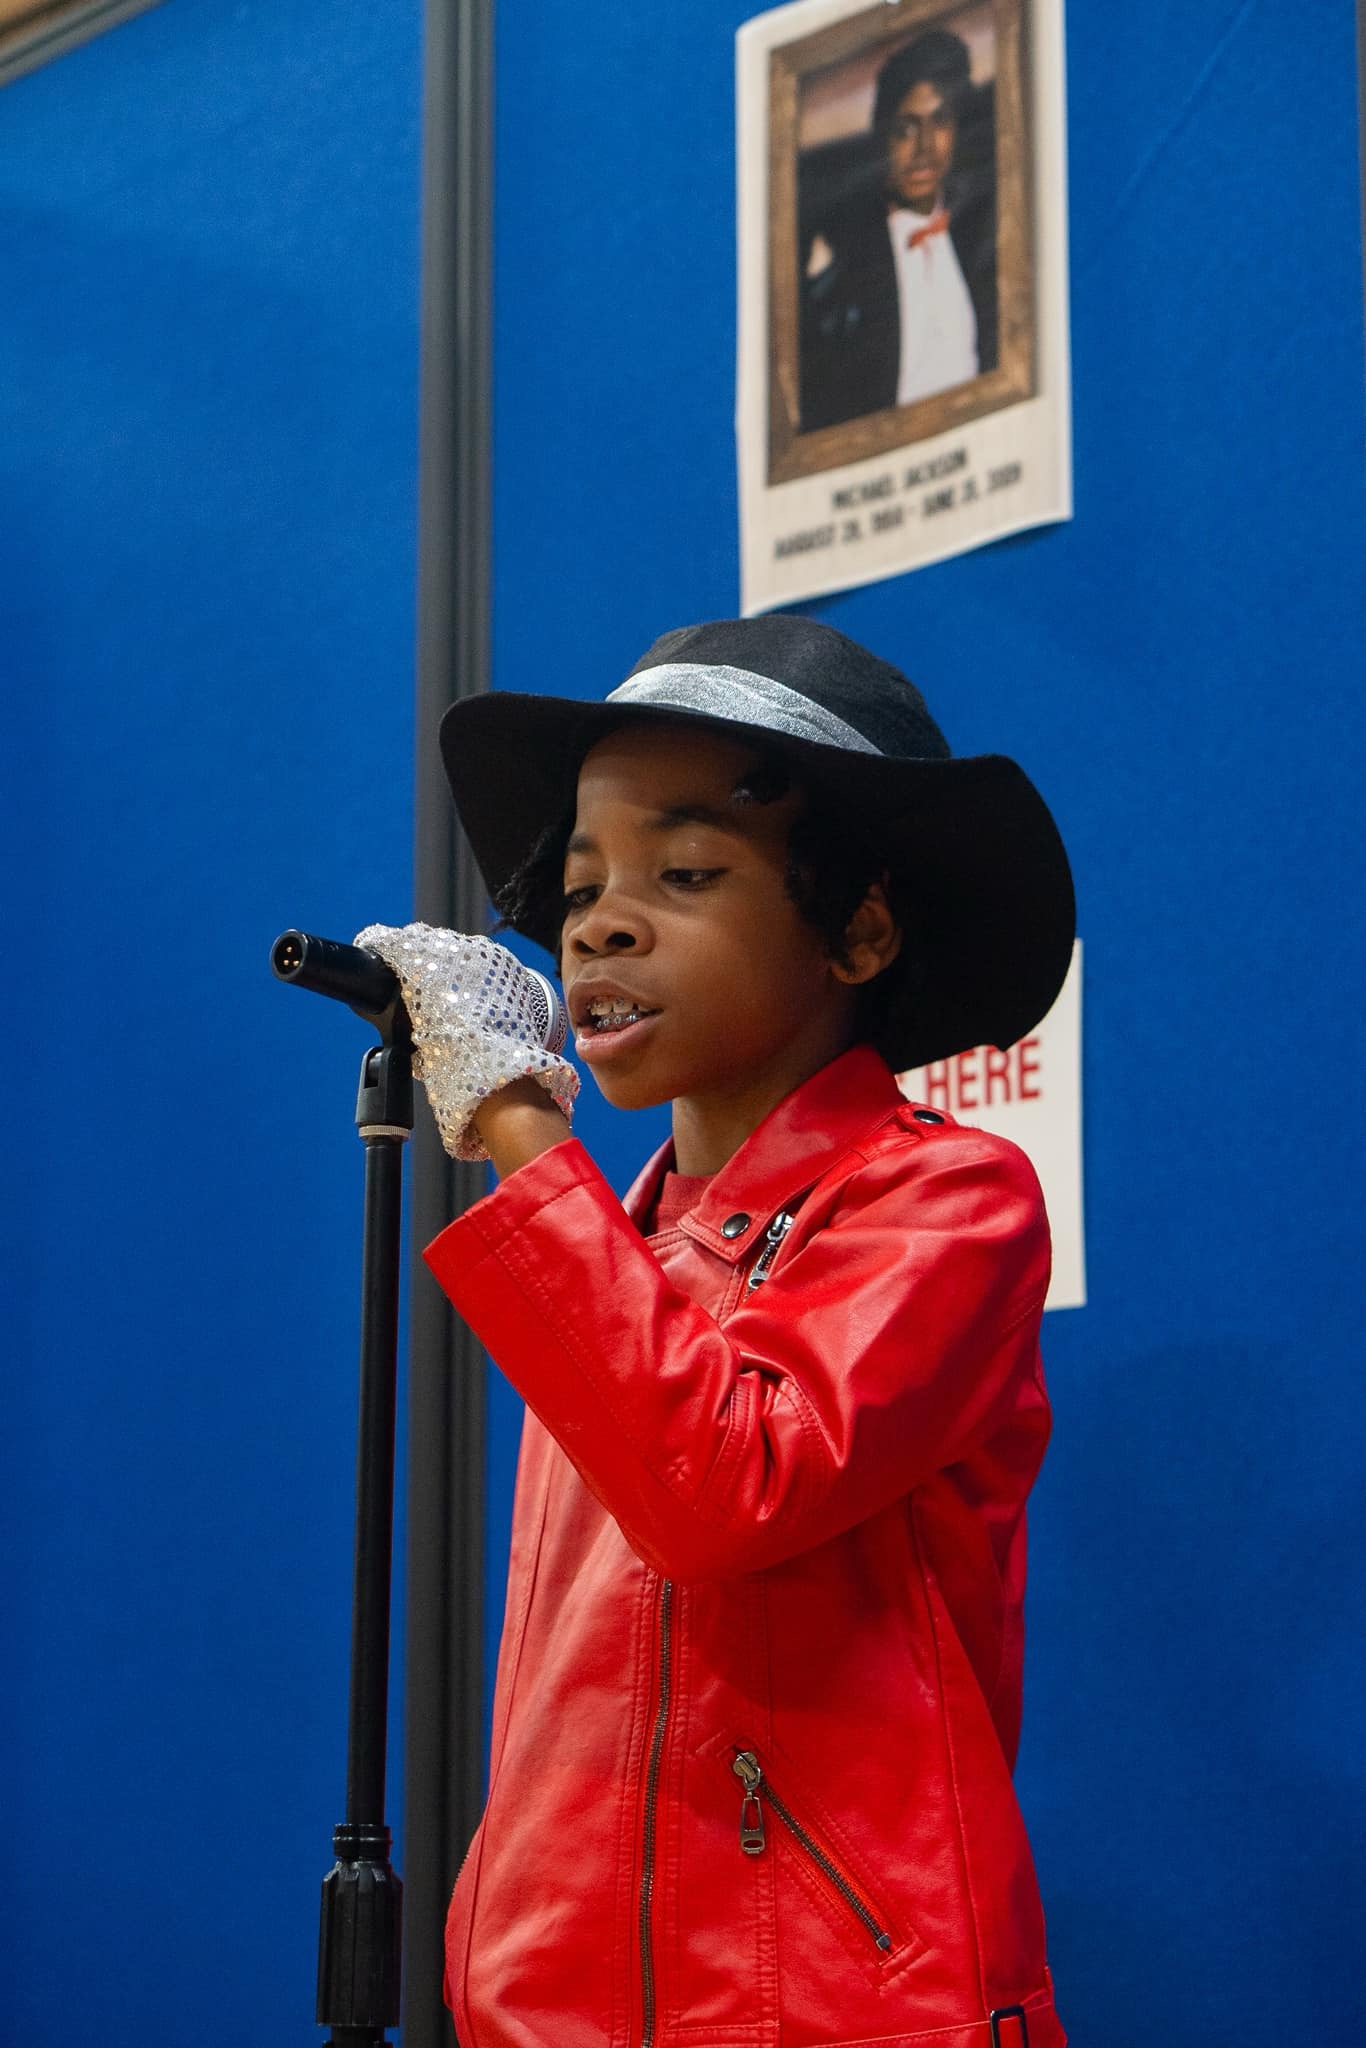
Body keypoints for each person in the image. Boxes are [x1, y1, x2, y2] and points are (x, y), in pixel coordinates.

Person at [359, 612, 1073, 2048]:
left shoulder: (948, 1201)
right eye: (580, 886)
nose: (597, 924)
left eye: (684, 873)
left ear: (858, 930)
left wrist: (511, 1123)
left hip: (837, 2013)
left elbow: (726, 1483)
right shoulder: (611, 1251)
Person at [799, 28, 998, 432]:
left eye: (939, 121)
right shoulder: (847, 266)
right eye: (906, 128)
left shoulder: (980, 231)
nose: (925, 146)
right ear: (882, 138)